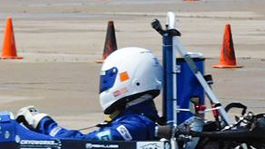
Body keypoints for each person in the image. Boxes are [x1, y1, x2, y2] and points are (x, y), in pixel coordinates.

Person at [16, 47, 161, 141]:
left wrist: (43, 123)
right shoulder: (136, 119)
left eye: (108, 78)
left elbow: (82, 144)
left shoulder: (135, 125)